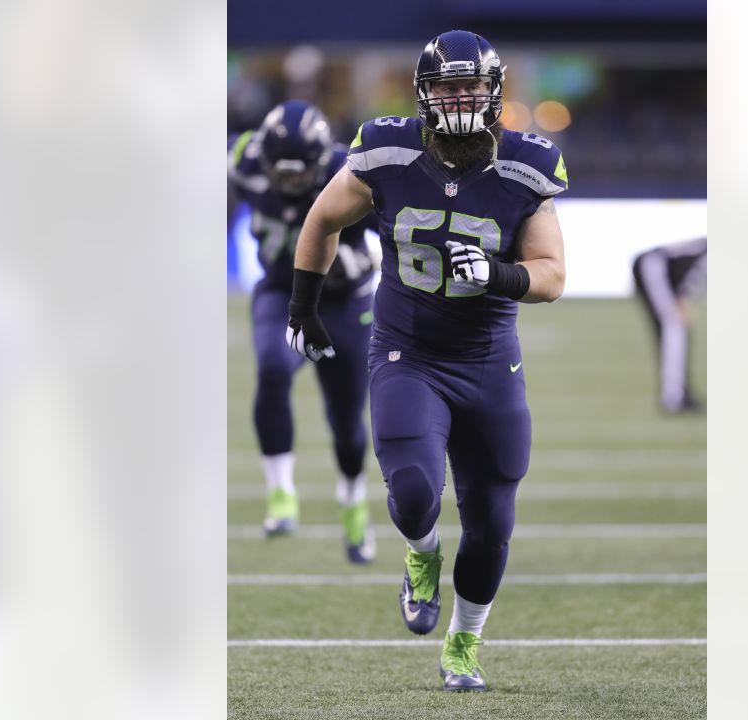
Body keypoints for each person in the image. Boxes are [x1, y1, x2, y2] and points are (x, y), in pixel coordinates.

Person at [284, 30, 567, 692]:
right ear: (424, 94)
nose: (462, 99)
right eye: (448, 87)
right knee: (413, 495)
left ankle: (464, 643)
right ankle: (421, 554)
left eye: (473, 86)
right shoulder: (386, 152)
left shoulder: (524, 165)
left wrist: (498, 275)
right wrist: (304, 308)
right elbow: (322, 220)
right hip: (407, 349)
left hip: (490, 359)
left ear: (494, 92)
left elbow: (552, 275)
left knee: (492, 520)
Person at [228, 100, 379, 564]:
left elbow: (395, 228)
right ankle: (280, 492)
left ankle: (352, 500)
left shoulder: (348, 170)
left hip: (344, 299)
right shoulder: (241, 161)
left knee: (346, 421)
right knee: (273, 368)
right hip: (280, 289)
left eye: (300, 173)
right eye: (282, 172)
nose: (291, 182)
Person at [631, 237, 707, 413]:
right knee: (674, 326)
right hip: (653, 267)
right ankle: (673, 397)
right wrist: (683, 299)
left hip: (659, 269)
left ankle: (678, 392)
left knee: (675, 327)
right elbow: (694, 272)